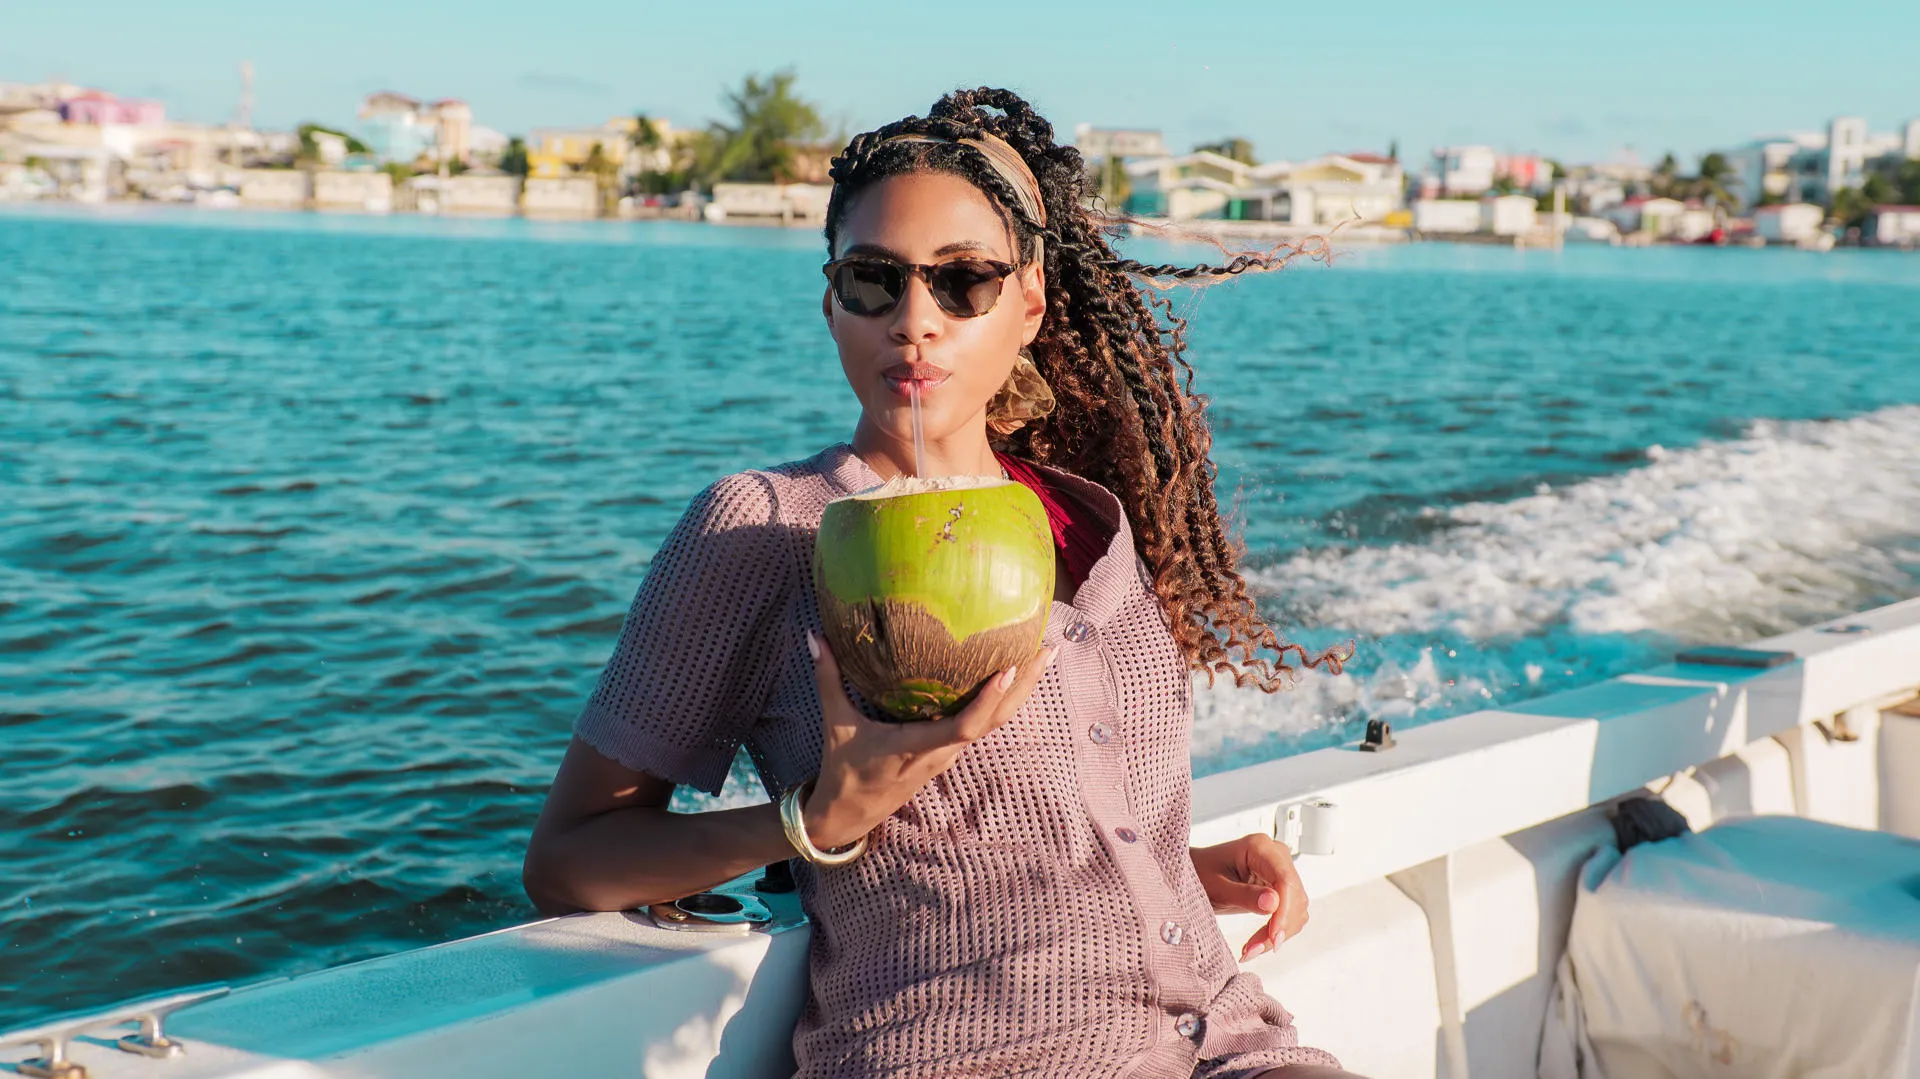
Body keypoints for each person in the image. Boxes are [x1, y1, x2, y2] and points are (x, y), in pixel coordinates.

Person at [523, 87, 1359, 1079]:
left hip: (1231, 1044)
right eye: (874, 280)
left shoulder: (1093, 520)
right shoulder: (764, 530)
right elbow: (569, 859)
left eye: (963, 281)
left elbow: (1026, 813)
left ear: (1030, 302)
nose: (914, 320)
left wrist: (1182, 866)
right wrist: (815, 820)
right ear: (832, 301)